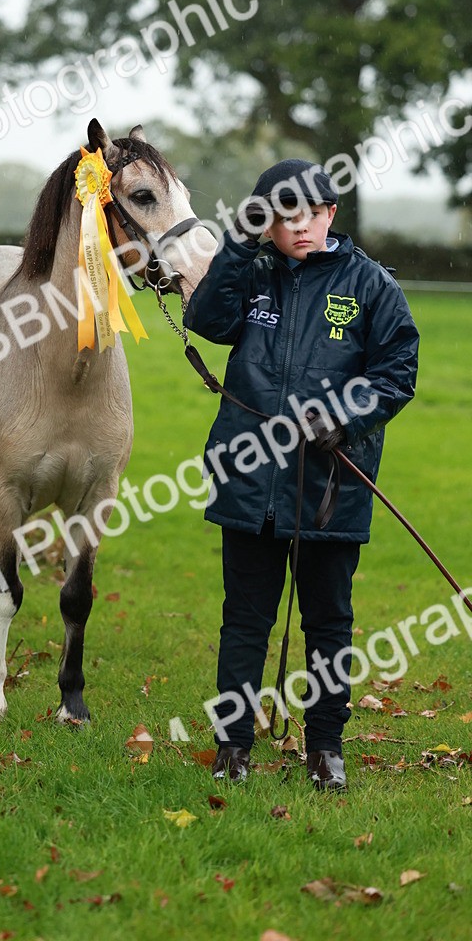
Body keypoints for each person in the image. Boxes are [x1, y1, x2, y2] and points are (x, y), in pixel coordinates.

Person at [183, 159, 419, 792]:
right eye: (283, 217)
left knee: (329, 621)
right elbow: (206, 322)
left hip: (330, 487)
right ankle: (232, 747)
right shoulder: (252, 277)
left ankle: (325, 748)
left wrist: (343, 419)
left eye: (312, 213)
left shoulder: (370, 286)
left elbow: (398, 372)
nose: (301, 227)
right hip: (252, 478)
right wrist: (238, 242)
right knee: (246, 619)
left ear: (331, 214)